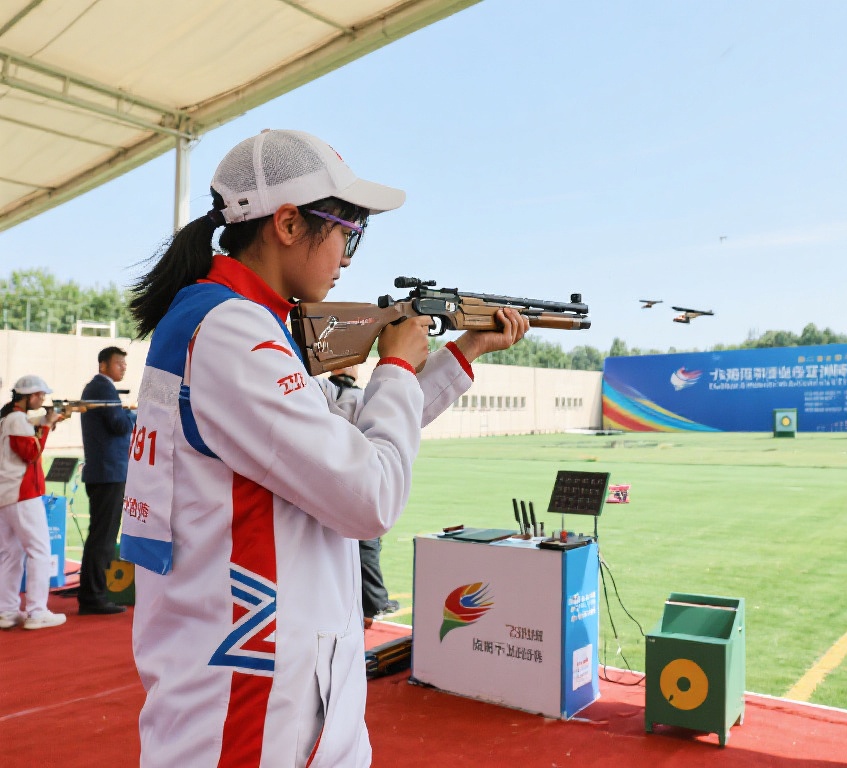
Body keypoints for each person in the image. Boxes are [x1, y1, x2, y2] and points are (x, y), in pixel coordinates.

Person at [122, 128, 528, 767]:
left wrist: (461, 352)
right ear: (286, 223)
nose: (348, 253)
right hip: (251, 701)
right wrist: (393, 367)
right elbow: (368, 494)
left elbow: (352, 436)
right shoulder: (233, 331)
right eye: (348, 230)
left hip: (273, 680)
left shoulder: (248, 325)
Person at [319, 367, 399, 628]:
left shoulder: (317, 393)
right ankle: (374, 604)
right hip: (358, 483)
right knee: (369, 549)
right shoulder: (359, 398)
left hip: (326, 486)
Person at [0, 375, 68, 630]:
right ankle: (37, 611)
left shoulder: (8, 418)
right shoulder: (17, 419)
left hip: (7, 496)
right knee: (39, 551)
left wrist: (46, 422)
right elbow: (31, 452)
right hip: (22, 494)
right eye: (39, 395)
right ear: (27, 396)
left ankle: (6, 611)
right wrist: (48, 425)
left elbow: (30, 431)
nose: (42, 399)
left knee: (10, 554)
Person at [77, 346, 136, 615]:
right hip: (109, 471)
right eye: (118, 363)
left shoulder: (99, 388)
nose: (123, 367)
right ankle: (93, 596)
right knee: (103, 538)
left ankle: (92, 593)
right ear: (104, 366)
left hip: (104, 470)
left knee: (100, 536)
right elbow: (120, 425)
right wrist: (134, 414)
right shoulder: (103, 388)